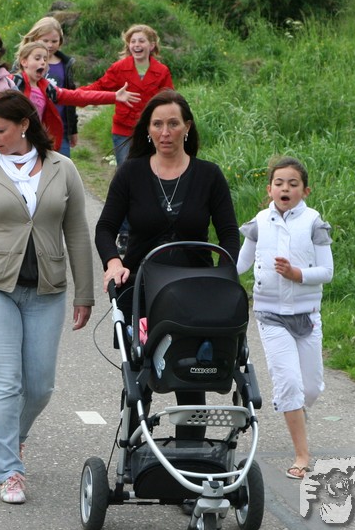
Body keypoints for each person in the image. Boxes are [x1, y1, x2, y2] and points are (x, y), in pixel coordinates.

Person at [0, 90, 95, 504]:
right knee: (5, 380)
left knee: (40, 385)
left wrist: (85, 293)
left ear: (24, 125)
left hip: (47, 289)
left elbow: (77, 232)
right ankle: (9, 470)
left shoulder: (63, 169)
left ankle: (14, 435)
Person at [95, 90, 239, 443]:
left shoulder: (209, 175)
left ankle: (193, 458)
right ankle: (134, 451)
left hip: (196, 293)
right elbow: (105, 228)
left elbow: (228, 234)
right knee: (140, 375)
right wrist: (113, 262)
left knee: (192, 375)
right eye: (157, 124)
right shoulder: (131, 173)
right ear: (147, 129)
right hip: (142, 290)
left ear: (187, 127)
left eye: (173, 124)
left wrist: (225, 274)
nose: (165, 132)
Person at [236, 156, 333, 480]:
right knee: (289, 384)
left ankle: (296, 410)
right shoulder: (259, 222)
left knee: (311, 389)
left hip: (307, 316)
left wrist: (296, 274)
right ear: (269, 189)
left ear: (305, 191)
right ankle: (302, 455)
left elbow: (327, 272)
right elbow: (239, 265)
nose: (285, 188)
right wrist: (211, 274)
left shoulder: (314, 223)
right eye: (279, 183)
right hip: (270, 314)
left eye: (293, 184)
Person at [12, 40, 138, 153]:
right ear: (24, 62)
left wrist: (114, 96)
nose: (43, 62)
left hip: (34, 142)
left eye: (45, 59)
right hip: (13, 140)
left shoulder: (47, 89)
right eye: (37, 58)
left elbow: (78, 96)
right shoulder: (12, 83)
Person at [83, 24, 174, 167]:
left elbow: (170, 100)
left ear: (151, 45)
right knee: (125, 170)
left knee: (150, 171)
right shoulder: (119, 68)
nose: (137, 45)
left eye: (141, 41)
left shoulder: (162, 71)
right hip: (123, 131)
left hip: (151, 131)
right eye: (133, 41)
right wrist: (71, 95)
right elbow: (99, 87)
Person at [19, 17, 78, 157]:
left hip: (59, 127)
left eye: (54, 41)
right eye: (45, 41)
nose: (50, 45)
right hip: (31, 128)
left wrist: (73, 129)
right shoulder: (24, 64)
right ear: (34, 39)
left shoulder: (66, 64)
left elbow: (71, 97)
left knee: (61, 165)